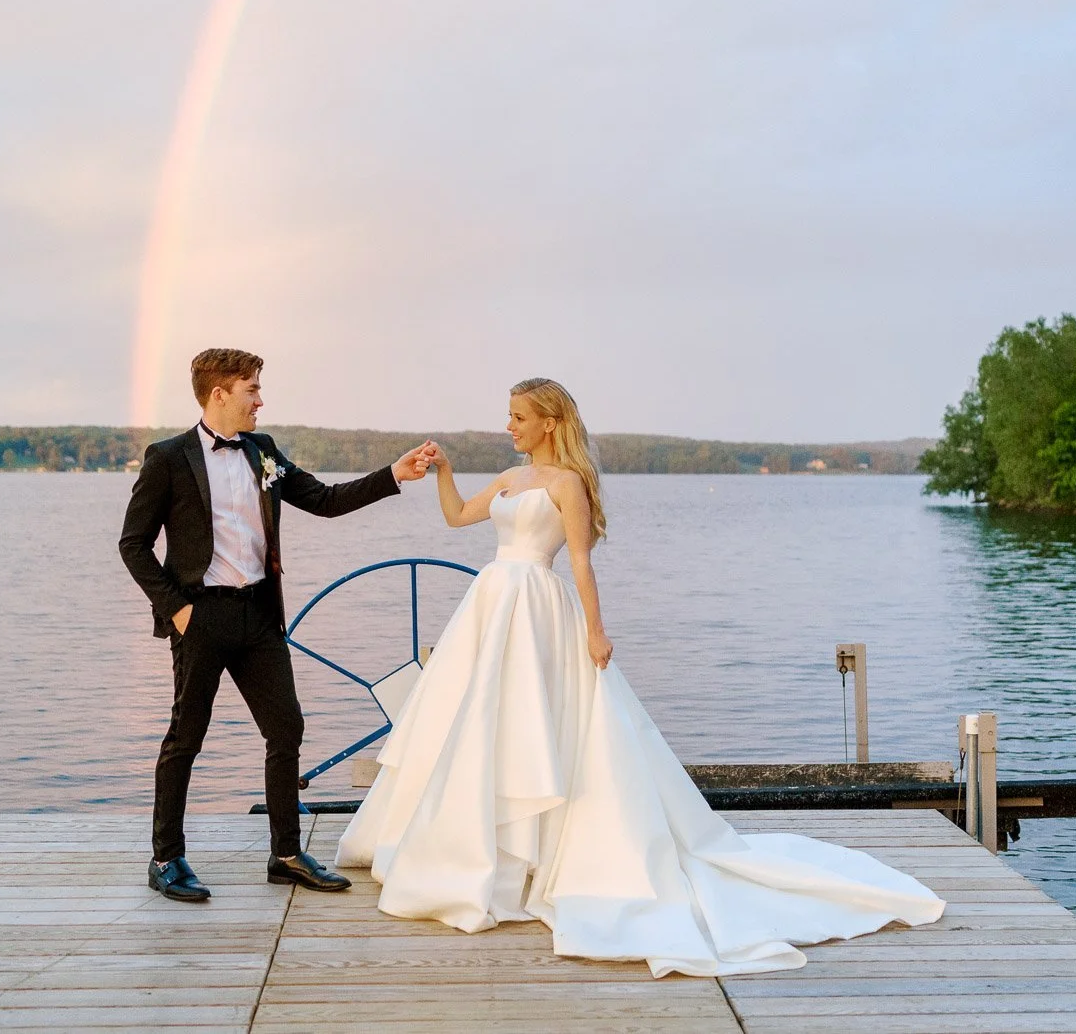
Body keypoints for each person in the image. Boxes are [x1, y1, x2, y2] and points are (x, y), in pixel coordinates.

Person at [338, 377, 945, 977]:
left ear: (548, 421)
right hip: (491, 604)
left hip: (538, 610)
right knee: (476, 724)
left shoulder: (568, 484)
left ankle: (525, 859)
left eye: (518, 416)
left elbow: (579, 561)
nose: (509, 425)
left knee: (531, 723)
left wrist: (595, 632)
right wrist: (443, 472)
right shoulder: (509, 479)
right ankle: (474, 851)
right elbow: (457, 518)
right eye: (508, 416)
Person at [119, 347, 436, 902]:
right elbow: (133, 545)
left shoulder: (262, 451)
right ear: (219, 394)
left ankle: (285, 854)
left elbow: (324, 499)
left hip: (260, 616)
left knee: (285, 728)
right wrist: (178, 610)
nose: (260, 401)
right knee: (185, 738)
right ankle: (166, 857)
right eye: (251, 391)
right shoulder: (167, 457)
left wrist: (394, 474)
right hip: (201, 618)